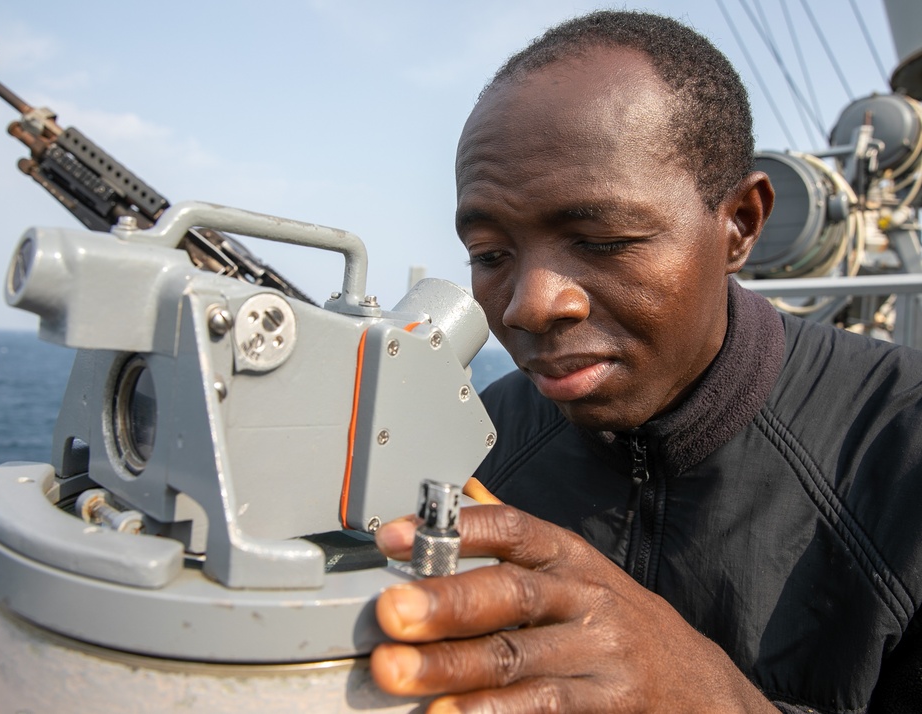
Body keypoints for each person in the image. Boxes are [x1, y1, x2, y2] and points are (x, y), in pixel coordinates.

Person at [368, 10, 922, 714]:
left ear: (741, 225)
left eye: (603, 241)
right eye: (490, 255)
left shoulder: (902, 452)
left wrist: (709, 696)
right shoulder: (477, 450)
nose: (529, 307)